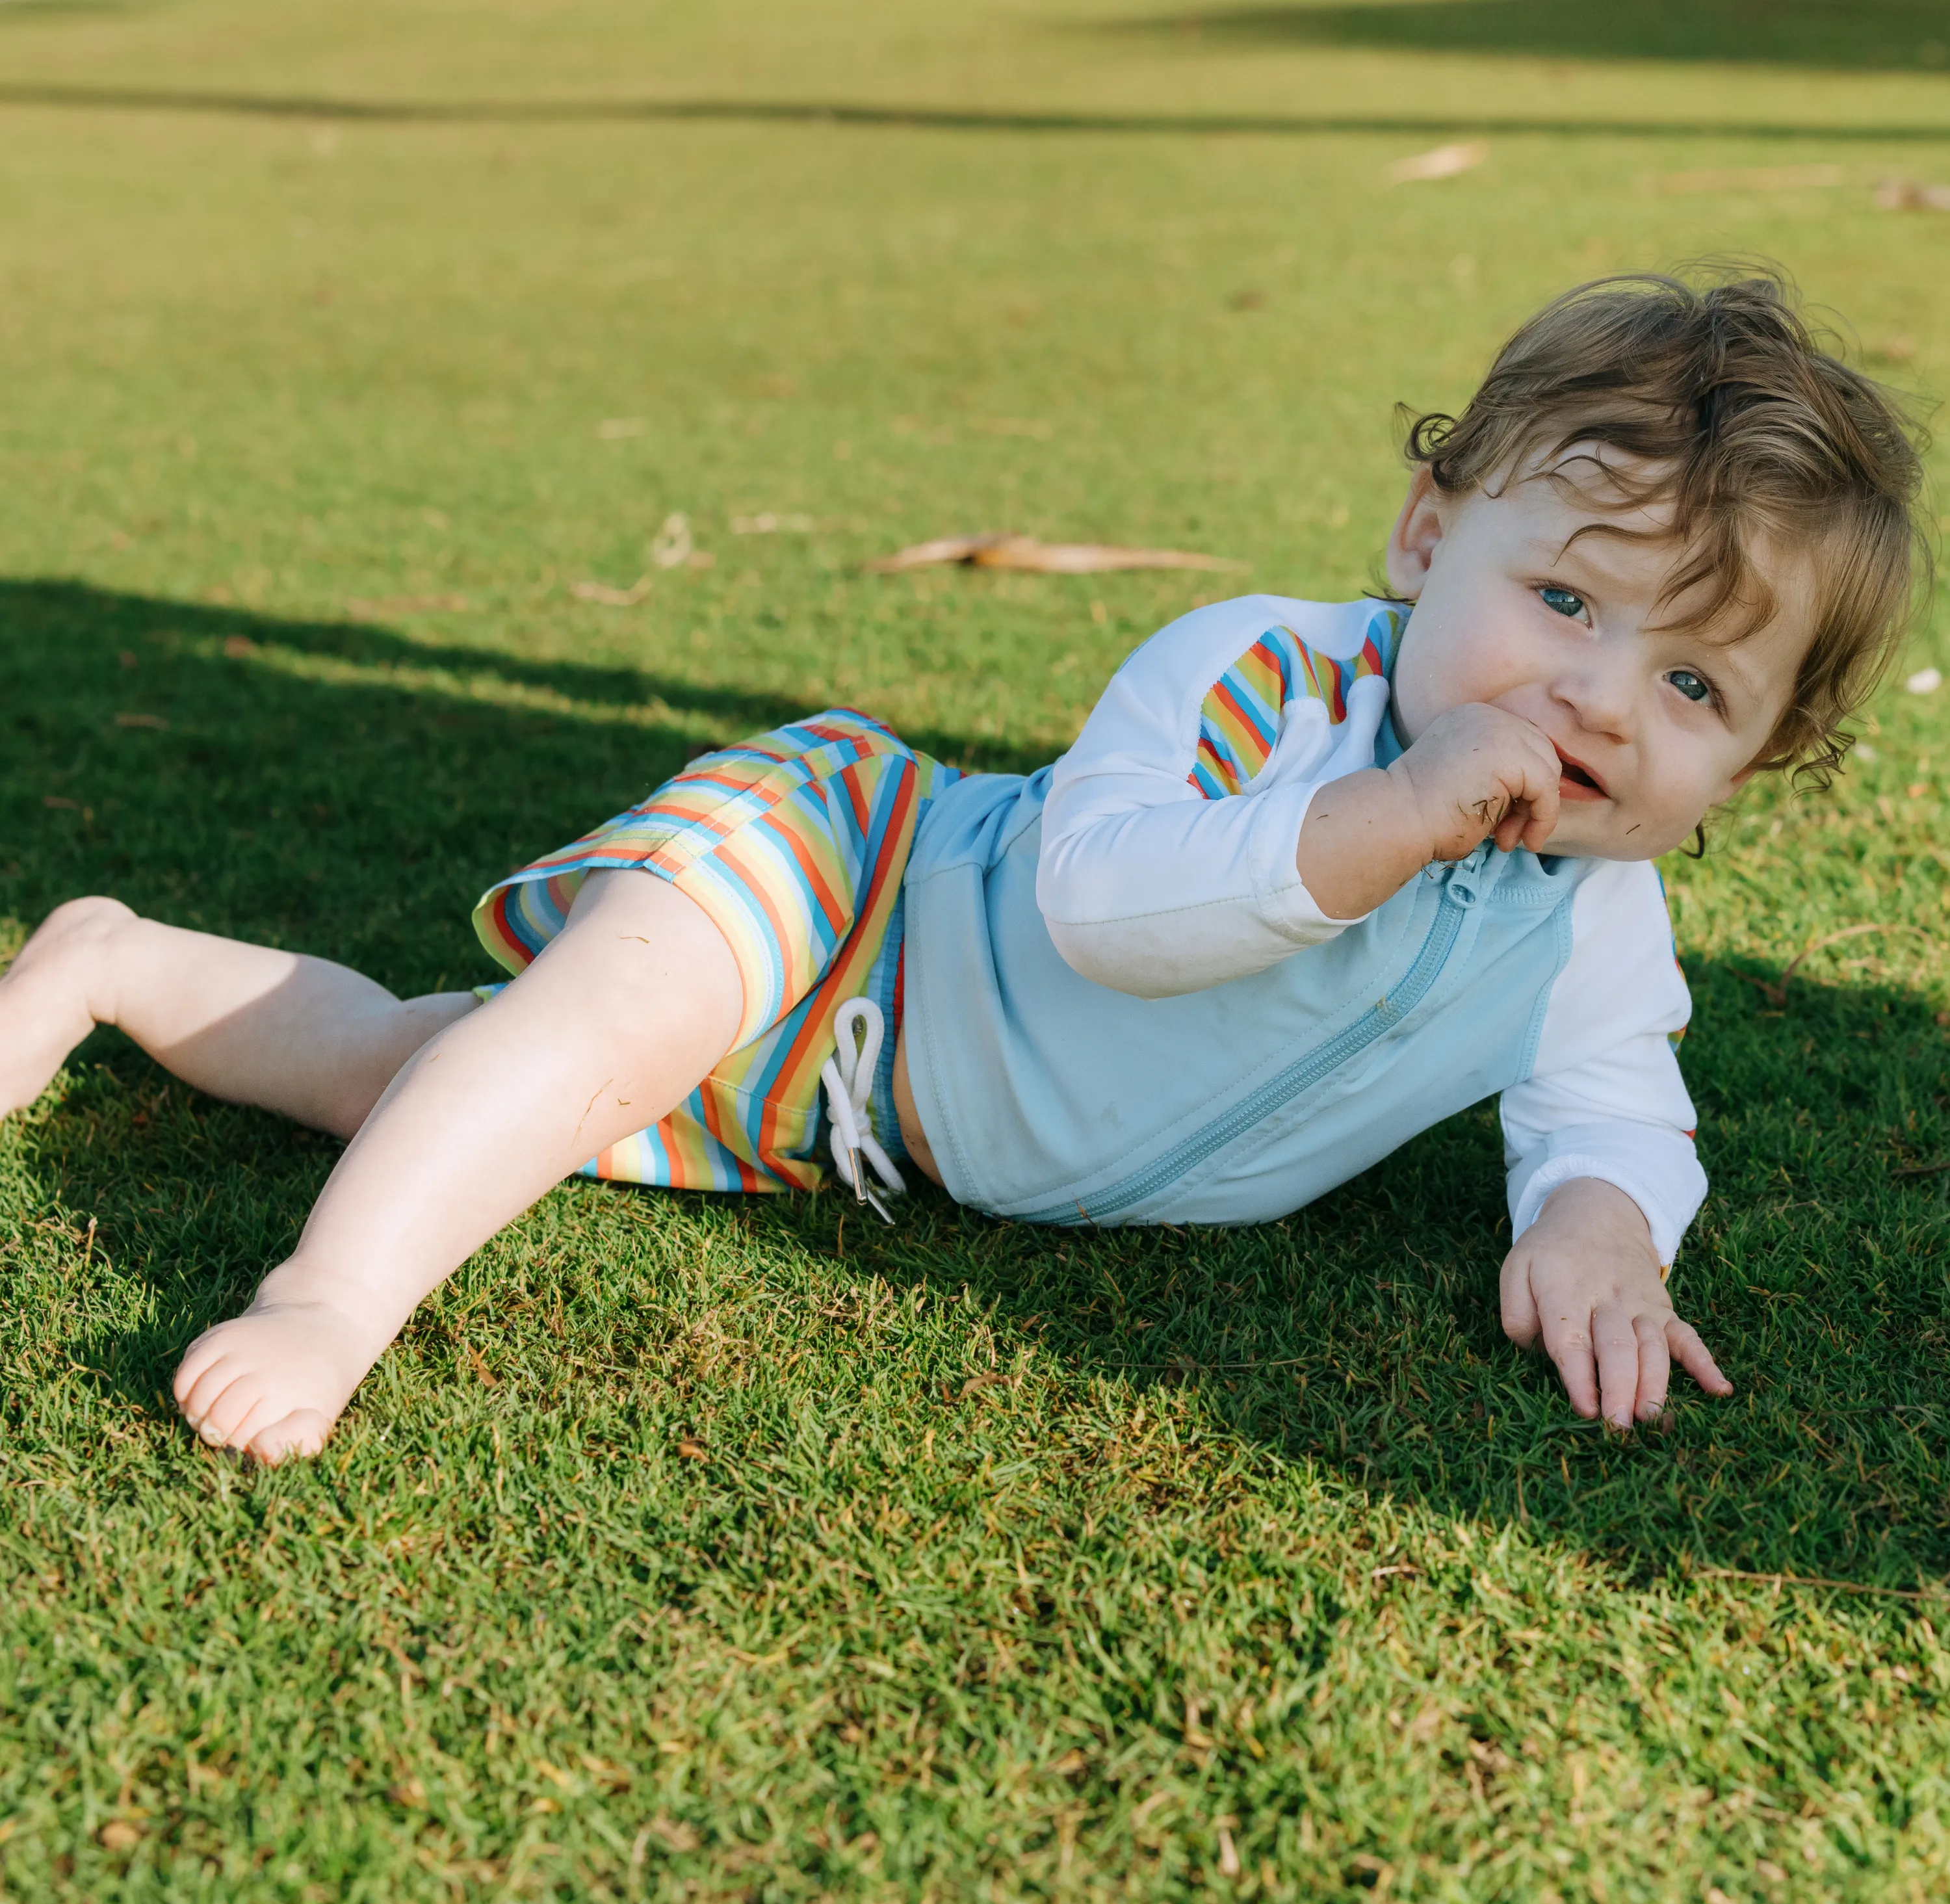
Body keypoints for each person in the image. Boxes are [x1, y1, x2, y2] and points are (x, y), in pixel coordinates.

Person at [0, 270, 1925, 1463]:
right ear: (1430, 537)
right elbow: (1103, 905)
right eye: (1564, 597)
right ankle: (334, 1302)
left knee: (407, 1075)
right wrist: (1382, 826)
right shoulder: (1265, 679)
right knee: (564, 1059)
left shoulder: (1589, 910)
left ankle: (111, 959)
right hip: (855, 885)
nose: (1596, 696)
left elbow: (1611, 1090)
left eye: (1691, 677)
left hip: (863, 1114)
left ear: (1764, 755)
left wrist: (1597, 1213)